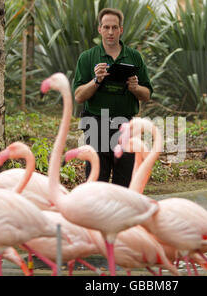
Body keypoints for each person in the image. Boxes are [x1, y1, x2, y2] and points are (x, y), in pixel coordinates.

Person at [73, 8, 153, 187]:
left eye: (114, 27)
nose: (110, 32)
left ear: (121, 30)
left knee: (124, 183)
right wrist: (96, 80)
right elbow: (78, 96)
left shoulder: (134, 57)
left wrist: (134, 88)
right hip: (96, 124)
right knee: (96, 182)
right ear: (99, 29)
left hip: (126, 126)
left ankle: (121, 214)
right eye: (106, 27)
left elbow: (146, 94)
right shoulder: (87, 58)